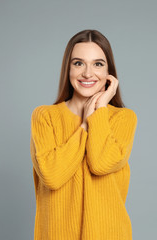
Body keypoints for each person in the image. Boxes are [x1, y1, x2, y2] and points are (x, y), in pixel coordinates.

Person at [30, 29, 138, 240]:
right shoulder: (45, 116)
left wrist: (98, 113)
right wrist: (85, 126)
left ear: (109, 72)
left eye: (98, 64)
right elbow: (52, 176)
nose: (88, 73)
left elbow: (100, 163)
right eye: (78, 63)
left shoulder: (123, 118)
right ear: (67, 69)